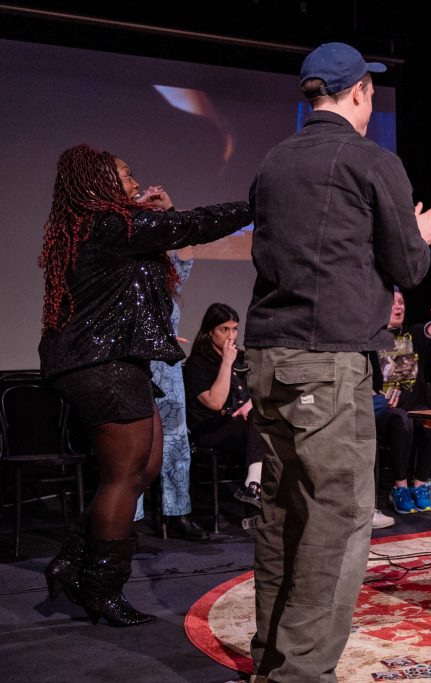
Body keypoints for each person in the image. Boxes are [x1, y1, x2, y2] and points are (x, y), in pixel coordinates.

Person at [244, 42, 431, 681]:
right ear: (359, 93)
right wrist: (421, 234)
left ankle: (271, 660)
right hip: (326, 360)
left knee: (283, 513)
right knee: (338, 518)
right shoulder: (371, 160)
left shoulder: (273, 161)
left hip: (267, 359)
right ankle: (301, 674)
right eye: (369, 93)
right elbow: (409, 267)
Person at [38, 143, 251, 626]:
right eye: (127, 174)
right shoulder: (107, 224)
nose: (136, 180)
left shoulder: (112, 228)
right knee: (124, 474)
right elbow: (192, 225)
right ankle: (101, 589)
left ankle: (74, 559)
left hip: (118, 362)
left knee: (147, 465)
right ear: (98, 184)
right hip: (101, 365)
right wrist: (260, 203)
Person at [134, 246, 210, 540]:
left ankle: (178, 514)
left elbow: (185, 257)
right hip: (138, 369)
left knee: (177, 445)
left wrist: (168, 210)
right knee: (136, 447)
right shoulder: (128, 281)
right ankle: (131, 520)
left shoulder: (167, 284)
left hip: (169, 371)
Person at [182, 303, 264, 518]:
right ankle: (254, 484)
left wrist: (252, 403)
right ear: (210, 332)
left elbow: (263, 389)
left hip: (246, 426)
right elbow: (215, 403)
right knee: (259, 422)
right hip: (211, 429)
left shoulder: (244, 358)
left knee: (268, 418)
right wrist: (226, 363)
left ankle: (257, 487)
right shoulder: (197, 363)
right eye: (224, 329)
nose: (231, 335)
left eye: (235, 329)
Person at [373, 290, 431, 516]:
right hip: (386, 410)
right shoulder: (372, 339)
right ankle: (400, 488)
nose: (399, 307)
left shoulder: (412, 334)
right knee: (401, 420)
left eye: (402, 303)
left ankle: (421, 485)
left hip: (414, 405)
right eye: (393, 303)